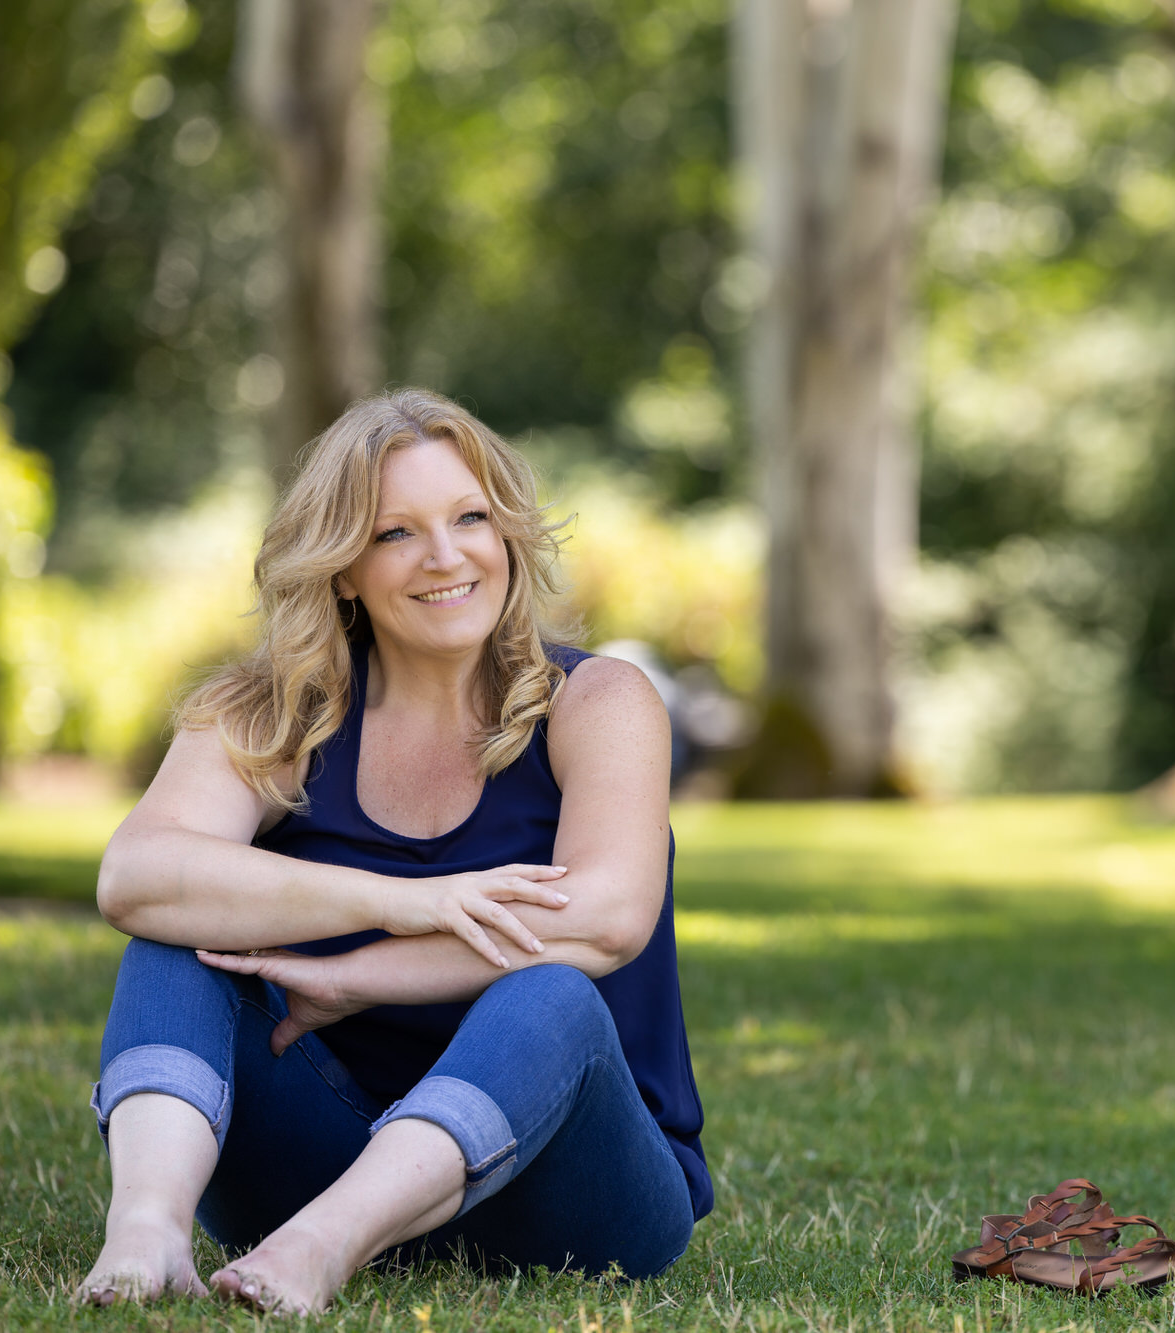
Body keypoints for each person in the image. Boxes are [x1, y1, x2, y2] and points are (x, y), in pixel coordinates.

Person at [73, 389, 710, 1315]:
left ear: (508, 535)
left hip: (579, 1191)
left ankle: (321, 1249)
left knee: (555, 994)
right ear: (341, 570)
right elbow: (135, 876)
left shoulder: (598, 700)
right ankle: (146, 1231)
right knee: (178, 941)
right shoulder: (270, 710)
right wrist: (393, 898)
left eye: (470, 518)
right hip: (323, 1154)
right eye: (395, 534)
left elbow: (607, 917)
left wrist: (367, 973)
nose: (446, 556)